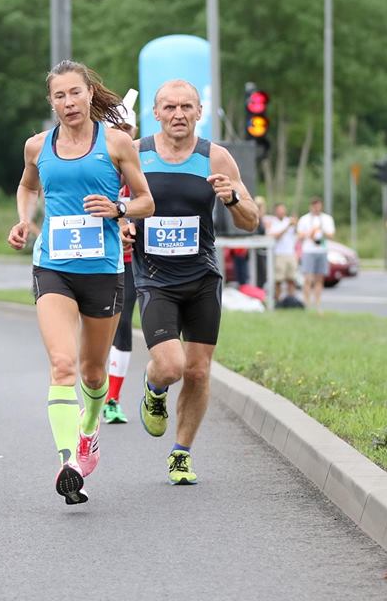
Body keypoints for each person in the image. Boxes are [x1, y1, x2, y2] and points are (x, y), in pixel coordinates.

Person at [7, 61, 153, 505]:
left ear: (89, 93)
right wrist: (24, 219)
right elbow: (27, 186)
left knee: (92, 372)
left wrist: (118, 210)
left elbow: (146, 201)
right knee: (62, 364)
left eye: (75, 93)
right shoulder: (38, 146)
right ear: (50, 101)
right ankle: (68, 461)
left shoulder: (116, 143)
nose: (68, 102)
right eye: (59, 96)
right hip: (53, 266)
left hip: (103, 270)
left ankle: (89, 430)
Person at [125, 79, 258, 485]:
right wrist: (122, 227)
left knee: (198, 372)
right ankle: (154, 387)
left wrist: (232, 198)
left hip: (202, 277)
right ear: (156, 113)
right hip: (155, 279)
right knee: (171, 365)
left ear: (200, 112)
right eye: (169, 107)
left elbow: (251, 221)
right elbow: (109, 204)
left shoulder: (215, 157)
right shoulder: (134, 153)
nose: (178, 114)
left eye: (186, 107)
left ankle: (181, 454)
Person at [103, 89, 139, 425]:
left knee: (123, 323)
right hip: (96, 259)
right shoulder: (96, 164)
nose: (122, 135)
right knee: (98, 328)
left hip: (130, 261)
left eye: (127, 129)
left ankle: (113, 398)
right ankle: (93, 388)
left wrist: (132, 226)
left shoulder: (140, 165)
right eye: (117, 128)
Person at [296, 196, 335, 312]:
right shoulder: (304, 219)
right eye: (314, 206)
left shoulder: (327, 219)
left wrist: (321, 230)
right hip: (309, 251)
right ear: (311, 207)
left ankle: (317, 304)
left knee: (319, 279)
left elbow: (331, 235)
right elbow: (299, 236)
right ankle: (306, 304)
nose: (316, 208)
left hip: (321, 250)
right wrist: (311, 232)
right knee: (308, 279)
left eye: (318, 206)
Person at [264, 202, 298, 304]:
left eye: (283, 209)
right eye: (280, 210)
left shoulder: (289, 221)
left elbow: (298, 234)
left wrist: (296, 223)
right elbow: (276, 236)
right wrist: (287, 226)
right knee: (278, 280)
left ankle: (291, 301)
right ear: (276, 211)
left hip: (290, 253)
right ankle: (278, 301)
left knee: (291, 279)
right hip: (279, 254)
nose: (282, 211)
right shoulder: (273, 222)